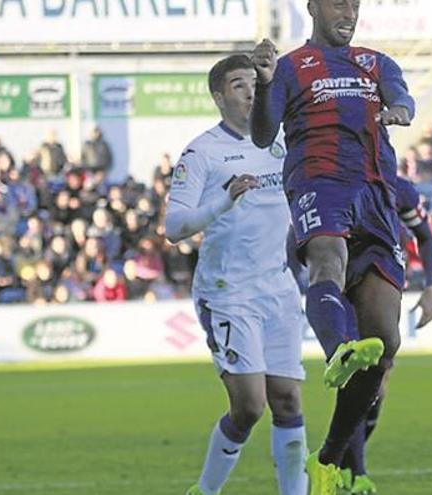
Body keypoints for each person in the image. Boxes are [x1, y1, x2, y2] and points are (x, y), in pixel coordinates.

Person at [251, 1, 415, 492]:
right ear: (313, 7)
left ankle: (328, 461)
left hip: (376, 195)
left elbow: (402, 98)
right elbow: (263, 134)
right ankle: (337, 349)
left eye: (355, 4)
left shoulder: (376, 62)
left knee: (384, 344)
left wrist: (400, 111)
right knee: (328, 258)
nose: (349, 11)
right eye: (338, 3)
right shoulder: (287, 69)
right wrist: (262, 84)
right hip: (320, 181)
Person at [166, 55, 308, 495]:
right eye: (238, 85)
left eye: (253, 84)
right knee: (249, 406)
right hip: (228, 291)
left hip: (278, 286)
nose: (249, 92)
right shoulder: (202, 152)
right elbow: (174, 228)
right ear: (218, 96)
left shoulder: (281, 141)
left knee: (287, 399)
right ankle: (205, 491)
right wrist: (222, 203)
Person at [337, 176, 432, 493]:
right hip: (346, 294)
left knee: (377, 390)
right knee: (360, 379)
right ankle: (358, 474)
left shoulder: (401, 190)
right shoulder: (335, 183)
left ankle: (338, 461)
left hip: (385, 295)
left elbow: (425, 237)